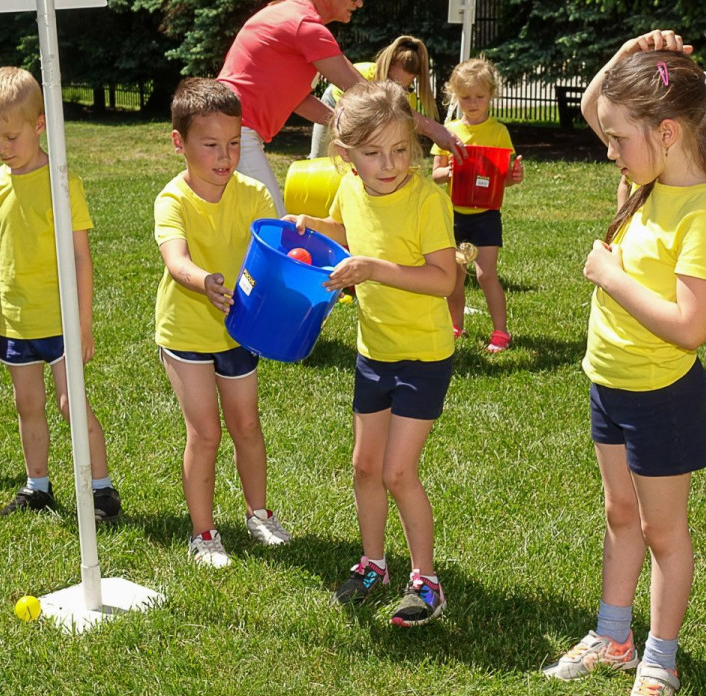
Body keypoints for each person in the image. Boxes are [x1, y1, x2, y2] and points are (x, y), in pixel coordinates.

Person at [540, 32, 706, 696]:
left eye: (619, 140)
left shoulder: (703, 213)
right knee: (619, 514)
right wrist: (629, 51)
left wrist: (612, 277)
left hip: (662, 398)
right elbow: (602, 104)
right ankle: (614, 636)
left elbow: (690, 326)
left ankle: (660, 658)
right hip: (611, 383)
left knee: (663, 531)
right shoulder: (647, 179)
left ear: (668, 132)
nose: (609, 149)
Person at [288, 82, 457, 626]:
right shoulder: (350, 189)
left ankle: (427, 582)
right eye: (372, 154)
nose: (389, 165)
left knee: (398, 471)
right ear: (346, 157)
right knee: (365, 466)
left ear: (414, 144)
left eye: (400, 151)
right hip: (374, 351)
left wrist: (372, 268)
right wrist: (315, 228)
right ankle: (374, 563)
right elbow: (347, 232)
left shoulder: (427, 200)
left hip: (423, 356)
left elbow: (443, 277)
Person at [0, 67, 122, 523]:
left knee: (70, 404)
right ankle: (38, 485)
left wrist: (83, 322)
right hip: (17, 321)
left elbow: (80, 258)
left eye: (10, 137)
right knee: (27, 405)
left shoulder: (62, 183)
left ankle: (101, 490)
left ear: (39, 125)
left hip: (60, 321)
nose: (2, 150)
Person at [153, 78, 291, 568]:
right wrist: (203, 280)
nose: (224, 156)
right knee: (205, 433)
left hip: (240, 330)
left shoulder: (253, 194)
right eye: (210, 145)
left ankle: (259, 514)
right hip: (186, 331)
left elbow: (272, 258)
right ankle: (204, 534)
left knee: (247, 424)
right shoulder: (172, 200)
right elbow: (176, 260)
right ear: (179, 143)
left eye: (233, 144)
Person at [217, 0, 464, 214]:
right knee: (271, 220)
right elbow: (368, 94)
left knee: (242, 217)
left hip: (223, 127)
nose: (359, 4)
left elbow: (297, 100)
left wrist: (341, 124)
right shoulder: (306, 27)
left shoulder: (291, 14)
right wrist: (434, 130)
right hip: (234, 132)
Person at [431, 57, 525, 352]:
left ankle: (501, 332)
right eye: (465, 97)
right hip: (455, 214)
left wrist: (513, 176)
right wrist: (447, 172)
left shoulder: (498, 133)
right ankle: (455, 326)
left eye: (479, 97)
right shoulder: (449, 131)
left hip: (486, 215)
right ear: (455, 97)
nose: (472, 103)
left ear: (491, 95)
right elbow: (435, 174)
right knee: (454, 277)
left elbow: (502, 178)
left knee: (486, 275)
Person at [309, 34, 437, 159]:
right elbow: (351, 117)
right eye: (392, 82)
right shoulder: (362, 75)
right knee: (320, 156)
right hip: (336, 103)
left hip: (363, 118)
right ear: (384, 67)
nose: (395, 90)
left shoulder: (407, 99)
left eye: (403, 87)